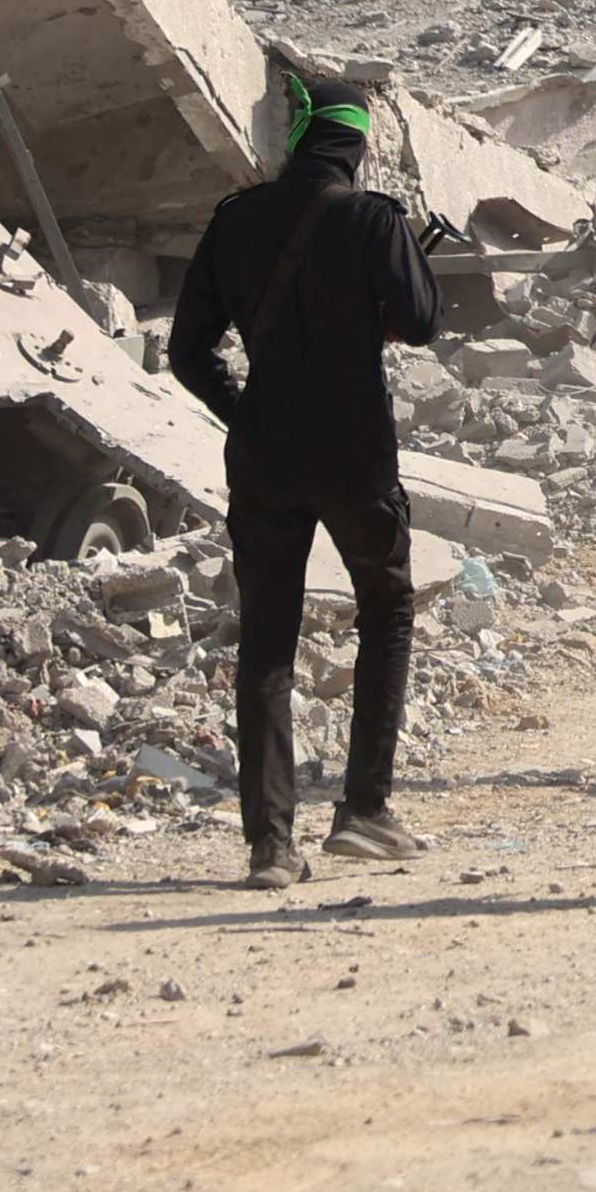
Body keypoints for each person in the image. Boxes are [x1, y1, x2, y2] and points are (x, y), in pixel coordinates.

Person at [168, 76, 445, 888]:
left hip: (264, 456)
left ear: (301, 137)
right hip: (356, 452)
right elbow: (423, 323)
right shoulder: (372, 218)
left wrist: (247, 410)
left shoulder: (236, 218)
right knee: (386, 611)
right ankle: (363, 812)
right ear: (358, 147)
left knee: (266, 640)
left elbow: (189, 352)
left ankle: (270, 846)